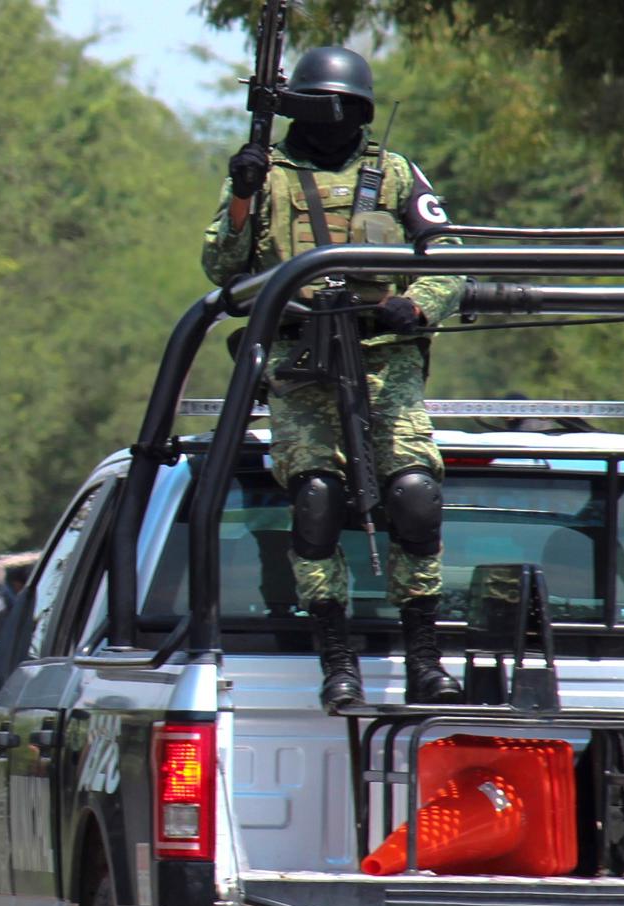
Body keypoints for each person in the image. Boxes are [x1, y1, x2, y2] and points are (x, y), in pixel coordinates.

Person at [203, 45, 464, 712]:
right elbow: (221, 268)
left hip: (383, 357)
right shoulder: (269, 177)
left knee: (413, 496)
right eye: (327, 108)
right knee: (317, 501)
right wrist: (241, 193)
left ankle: (425, 659)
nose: (335, 120)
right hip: (302, 364)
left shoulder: (395, 174)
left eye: (345, 110)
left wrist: (419, 306)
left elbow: (451, 256)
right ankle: (337, 658)